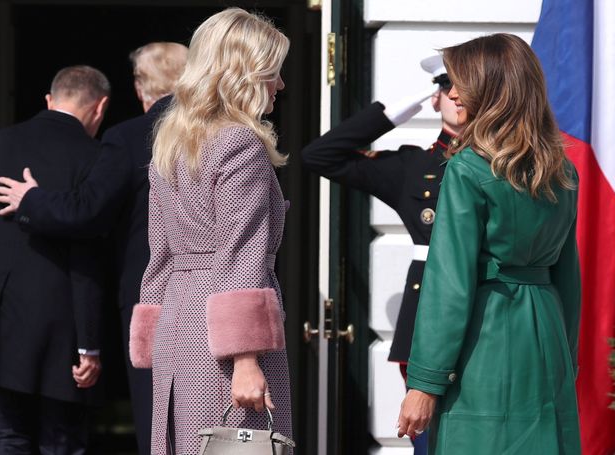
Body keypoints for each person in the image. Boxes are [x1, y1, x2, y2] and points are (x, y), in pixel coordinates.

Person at [0, 41, 188, 455]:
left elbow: (86, 211)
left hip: (148, 300)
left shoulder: (131, 137)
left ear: (139, 88)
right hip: (216, 298)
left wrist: (32, 200)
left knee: (160, 424)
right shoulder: (223, 133)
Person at [397, 33, 581, 454]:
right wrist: (566, 358)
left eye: (462, 81)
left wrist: (424, 382)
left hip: (486, 342)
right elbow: (568, 277)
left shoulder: (467, 168)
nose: (454, 92)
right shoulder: (562, 169)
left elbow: (449, 285)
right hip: (547, 338)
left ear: (492, 89)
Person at [127, 8, 292, 454]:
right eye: (273, 73)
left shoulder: (172, 141)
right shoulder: (241, 143)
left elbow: (159, 254)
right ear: (246, 73)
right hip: (223, 339)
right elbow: (241, 255)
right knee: (239, 446)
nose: (280, 85)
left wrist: (154, 337)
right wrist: (245, 359)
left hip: (179, 328)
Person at [302, 54, 462, 454]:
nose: (458, 96)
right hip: (429, 309)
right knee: (431, 435)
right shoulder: (413, 166)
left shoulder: (504, 164)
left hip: (487, 310)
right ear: (436, 97)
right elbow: (319, 156)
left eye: (468, 88)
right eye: (446, 87)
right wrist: (393, 112)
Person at [0, 65, 110, 454]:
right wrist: (90, 344)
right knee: (61, 442)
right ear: (101, 108)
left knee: (4, 437)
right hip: (62, 323)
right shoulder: (96, 157)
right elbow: (88, 256)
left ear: (50, 99)